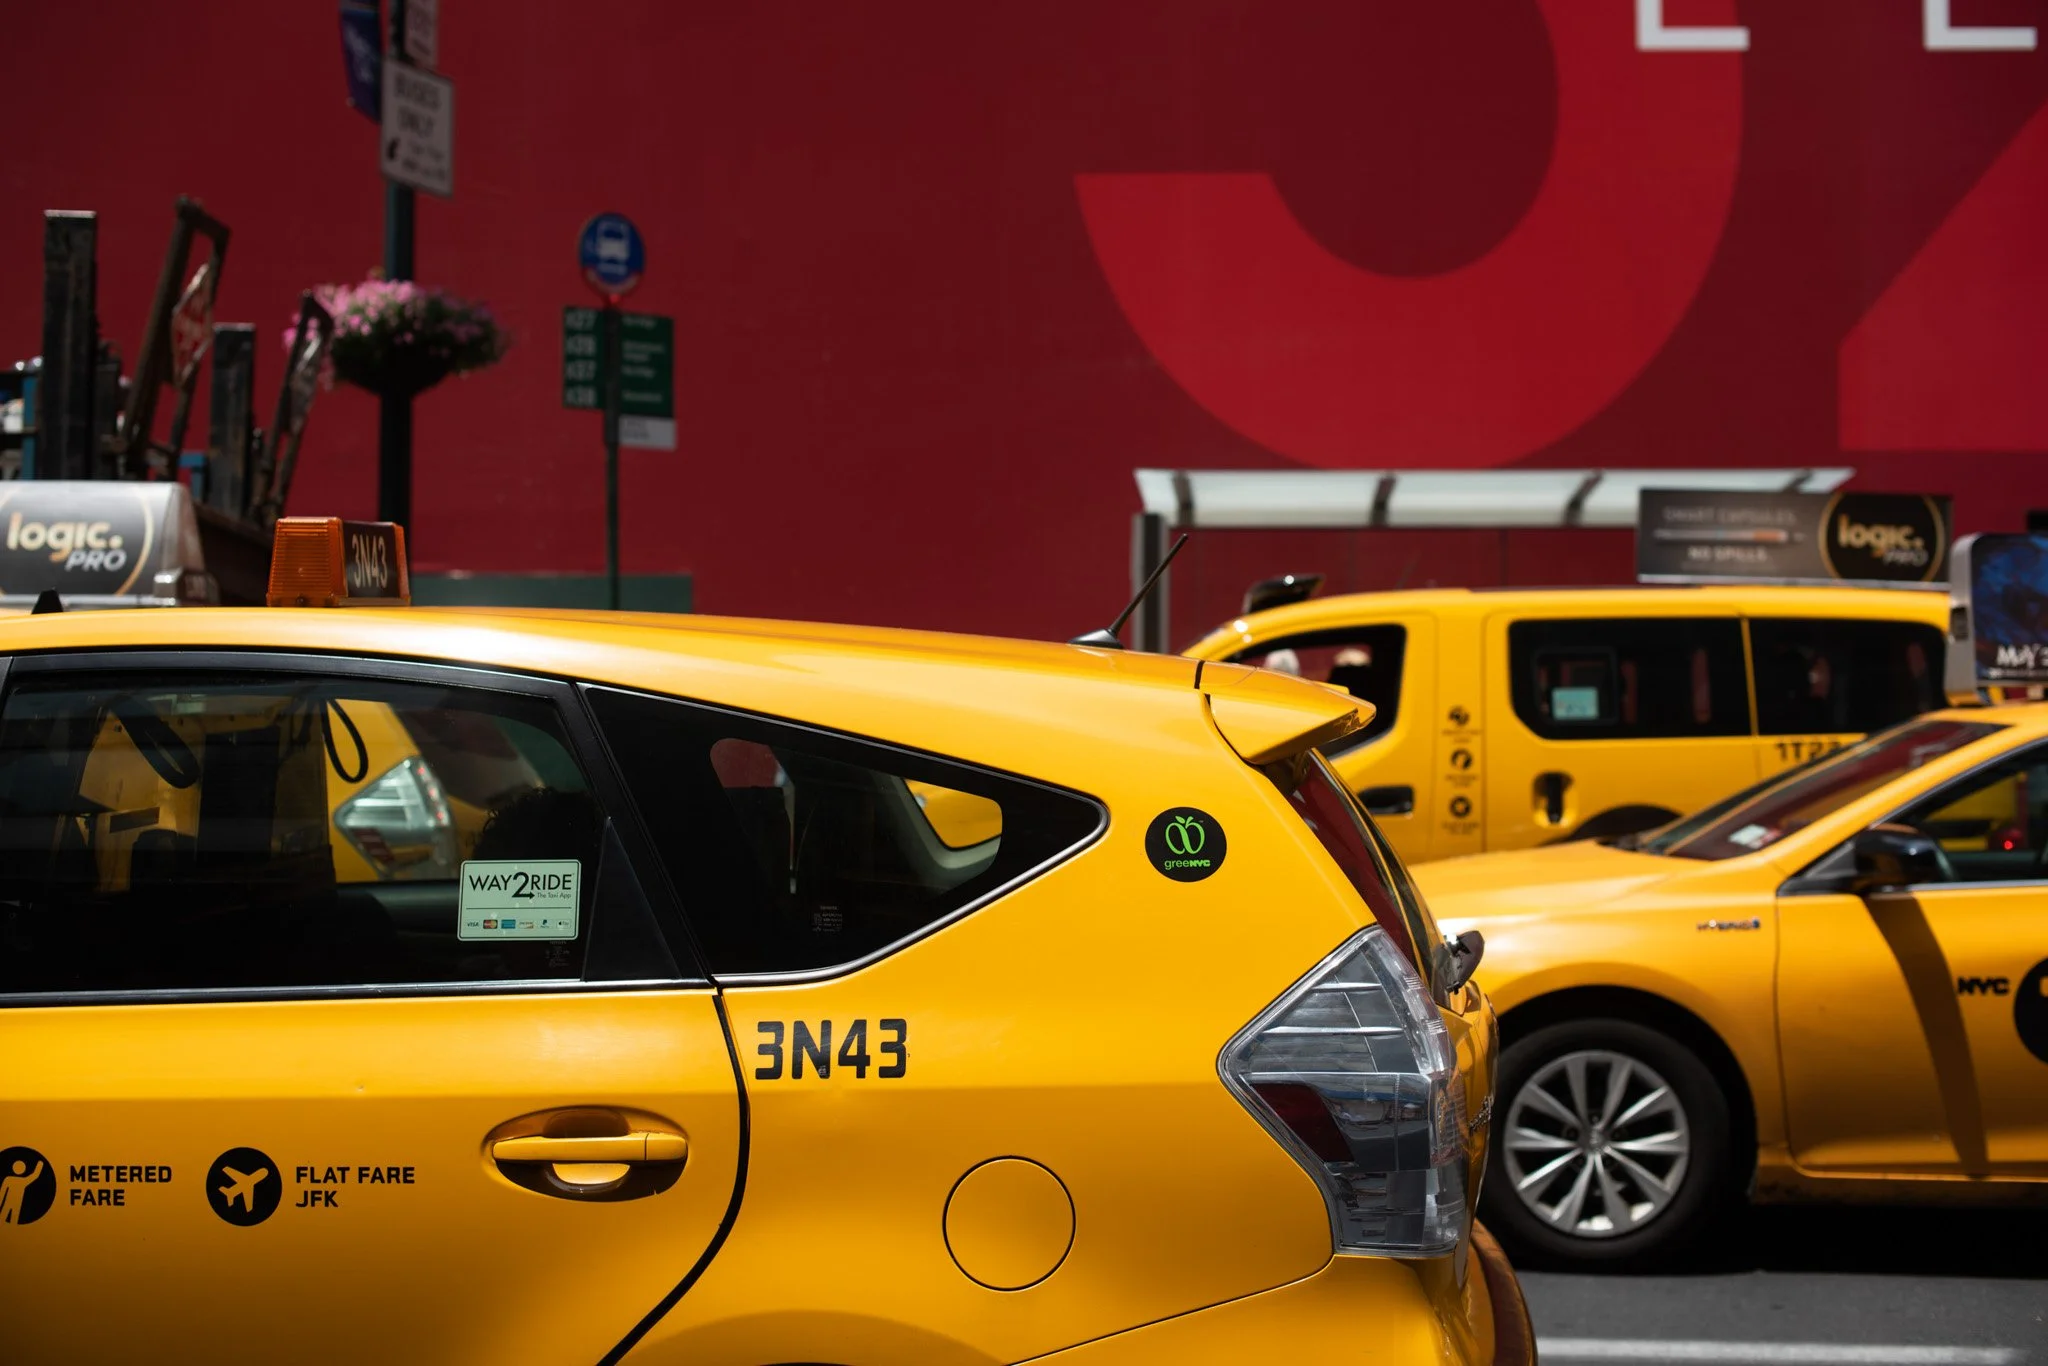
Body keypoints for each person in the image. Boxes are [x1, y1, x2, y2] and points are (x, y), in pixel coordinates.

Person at [1, 1155, 44, 1224]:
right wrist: (40, 1164)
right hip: (10, 1203)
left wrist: (40, 1164)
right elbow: (2, 1192)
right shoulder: (10, 1179)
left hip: (16, 1204)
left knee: (12, 1221)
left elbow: (35, 1176)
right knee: (4, 1220)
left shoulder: (18, 1180)